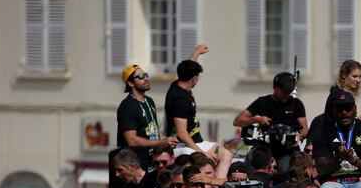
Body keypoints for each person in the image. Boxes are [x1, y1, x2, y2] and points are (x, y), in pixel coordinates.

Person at [164, 45, 232, 179]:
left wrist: (196, 53)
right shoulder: (180, 100)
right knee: (207, 164)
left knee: (226, 155)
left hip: (197, 141)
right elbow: (181, 133)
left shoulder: (179, 84)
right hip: (184, 145)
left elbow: (188, 68)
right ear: (193, 79)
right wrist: (202, 152)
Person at [233, 72, 308, 170]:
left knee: (286, 168)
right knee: (252, 164)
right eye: (284, 91)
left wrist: (298, 136)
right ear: (275, 88)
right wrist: (257, 119)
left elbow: (305, 129)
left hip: (286, 150)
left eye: (288, 92)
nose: (286, 95)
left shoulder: (296, 104)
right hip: (264, 147)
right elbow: (237, 121)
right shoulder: (263, 102)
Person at [116, 63, 178, 168]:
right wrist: (160, 142)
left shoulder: (149, 101)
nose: (146, 78)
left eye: (146, 75)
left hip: (153, 162)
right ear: (131, 82)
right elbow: (131, 140)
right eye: (141, 77)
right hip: (136, 166)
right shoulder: (127, 106)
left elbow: (152, 133)